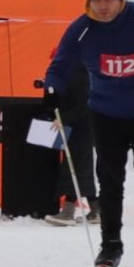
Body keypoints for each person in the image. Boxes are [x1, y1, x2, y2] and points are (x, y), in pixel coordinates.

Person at [40, 0, 134, 267]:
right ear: (89, 0)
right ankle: (110, 247)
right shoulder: (81, 30)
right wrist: (51, 91)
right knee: (110, 184)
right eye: (97, 0)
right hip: (105, 115)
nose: (103, 6)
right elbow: (60, 65)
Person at [36, 62, 96, 226]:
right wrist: (49, 91)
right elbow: (55, 103)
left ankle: (68, 212)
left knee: (73, 167)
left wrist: (64, 118)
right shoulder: (68, 74)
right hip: (74, 126)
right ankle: (97, 211)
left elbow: (85, 103)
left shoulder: (79, 73)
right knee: (81, 167)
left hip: (81, 126)